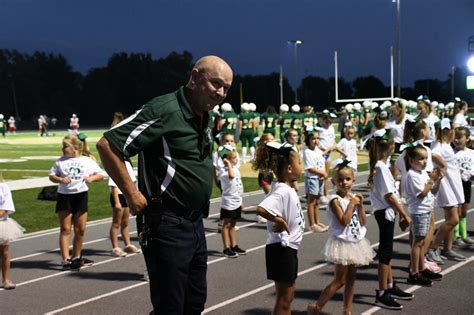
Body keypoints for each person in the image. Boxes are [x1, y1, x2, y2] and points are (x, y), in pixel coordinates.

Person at [96, 55, 233, 314]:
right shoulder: (166, 109)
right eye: (216, 83)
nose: (221, 92)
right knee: (170, 307)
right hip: (167, 223)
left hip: (194, 222)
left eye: (226, 88)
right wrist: (132, 193)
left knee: (194, 303)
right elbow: (108, 144)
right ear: (194, 78)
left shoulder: (203, 113)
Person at [307, 161, 375, 315]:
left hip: (356, 242)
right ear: (334, 182)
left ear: (353, 180)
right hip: (342, 244)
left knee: (351, 280)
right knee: (339, 280)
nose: (345, 183)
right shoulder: (334, 201)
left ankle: (347, 311)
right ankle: (317, 307)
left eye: (348, 179)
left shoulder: (353, 198)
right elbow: (343, 221)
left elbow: (363, 221)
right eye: (341, 180)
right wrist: (351, 205)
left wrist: (361, 206)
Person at [254, 141, 305, 315]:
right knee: (284, 299)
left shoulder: (286, 188)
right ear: (289, 168)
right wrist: (279, 220)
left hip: (288, 249)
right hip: (281, 249)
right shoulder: (282, 190)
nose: (302, 166)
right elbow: (261, 209)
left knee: (287, 297)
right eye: (299, 162)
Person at [368, 130, 413, 310]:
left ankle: (390, 284)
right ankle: (382, 292)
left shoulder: (382, 166)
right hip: (385, 211)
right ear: (391, 147)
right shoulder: (380, 167)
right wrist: (404, 214)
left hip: (387, 212)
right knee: (385, 254)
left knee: (387, 251)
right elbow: (390, 196)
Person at [49, 135, 105, 270]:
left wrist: (91, 178)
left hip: (80, 196)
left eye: (65, 146)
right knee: (65, 229)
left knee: (80, 230)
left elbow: (101, 174)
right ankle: (65, 259)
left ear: (74, 148)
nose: (62, 149)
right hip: (64, 196)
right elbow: (51, 176)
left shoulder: (86, 160)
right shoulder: (60, 161)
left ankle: (76, 257)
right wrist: (60, 180)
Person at [402, 145, 443, 286]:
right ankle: (414, 273)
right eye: (421, 159)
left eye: (426, 158)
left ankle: (422, 267)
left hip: (425, 210)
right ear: (411, 160)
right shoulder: (412, 175)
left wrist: (437, 180)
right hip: (419, 212)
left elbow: (432, 192)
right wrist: (431, 180)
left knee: (420, 242)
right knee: (418, 243)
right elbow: (421, 194)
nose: (425, 161)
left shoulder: (421, 173)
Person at [428, 119, 466, 262]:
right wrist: (443, 164)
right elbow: (432, 154)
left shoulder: (445, 145)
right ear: (448, 131)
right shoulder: (439, 145)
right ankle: (432, 248)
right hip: (447, 186)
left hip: (454, 185)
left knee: (451, 217)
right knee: (453, 219)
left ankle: (447, 249)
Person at [108, 115, 141, 257]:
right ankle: (115, 246)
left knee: (126, 222)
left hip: (127, 194)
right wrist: (116, 201)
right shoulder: (115, 162)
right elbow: (113, 183)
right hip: (119, 196)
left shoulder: (127, 162)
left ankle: (127, 243)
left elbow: (132, 180)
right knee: (116, 222)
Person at [218, 147, 246, 258]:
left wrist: (240, 199)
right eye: (234, 158)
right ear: (227, 160)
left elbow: (238, 185)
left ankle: (234, 245)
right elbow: (231, 176)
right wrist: (227, 163)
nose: (236, 159)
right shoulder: (225, 171)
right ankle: (226, 248)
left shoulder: (234, 168)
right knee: (226, 225)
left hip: (236, 201)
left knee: (233, 224)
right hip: (228, 202)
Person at [0, 177, 25, 289]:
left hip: (2, 223)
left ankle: (5, 280)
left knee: (4, 252)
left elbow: (5, 208)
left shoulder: (3, 187)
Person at [303, 128, 328, 232]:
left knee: (317, 202)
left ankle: (317, 222)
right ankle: (312, 224)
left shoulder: (319, 151)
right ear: (308, 140)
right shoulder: (307, 152)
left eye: (318, 138)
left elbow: (322, 163)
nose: (316, 140)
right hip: (312, 179)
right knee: (311, 202)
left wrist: (324, 173)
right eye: (313, 138)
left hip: (320, 178)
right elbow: (310, 167)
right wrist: (322, 173)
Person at [453, 127, 474, 246]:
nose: (457, 140)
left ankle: (464, 235)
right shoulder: (452, 153)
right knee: (457, 210)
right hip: (456, 184)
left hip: (467, 183)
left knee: (464, 211)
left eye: (460, 137)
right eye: (455, 137)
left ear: (466, 139)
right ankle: (456, 236)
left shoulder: (471, 153)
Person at [255, 133, 275, 224]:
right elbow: (258, 164)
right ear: (264, 141)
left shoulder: (273, 150)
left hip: (270, 175)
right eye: (269, 139)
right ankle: (260, 214)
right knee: (270, 195)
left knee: (270, 195)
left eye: (272, 139)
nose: (272, 141)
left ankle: (266, 213)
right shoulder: (262, 152)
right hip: (264, 175)